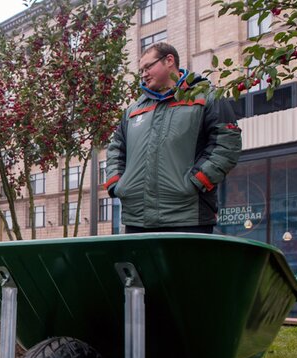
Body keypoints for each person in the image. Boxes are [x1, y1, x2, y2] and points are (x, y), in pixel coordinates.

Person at [103, 42, 242, 234]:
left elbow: (227, 144)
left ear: (169, 61)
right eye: (141, 70)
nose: (143, 74)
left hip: (188, 218)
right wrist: (118, 185)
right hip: (137, 219)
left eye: (148, 67)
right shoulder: (133, 111)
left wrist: (196, 182)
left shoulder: (206, 97)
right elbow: (116, 149)